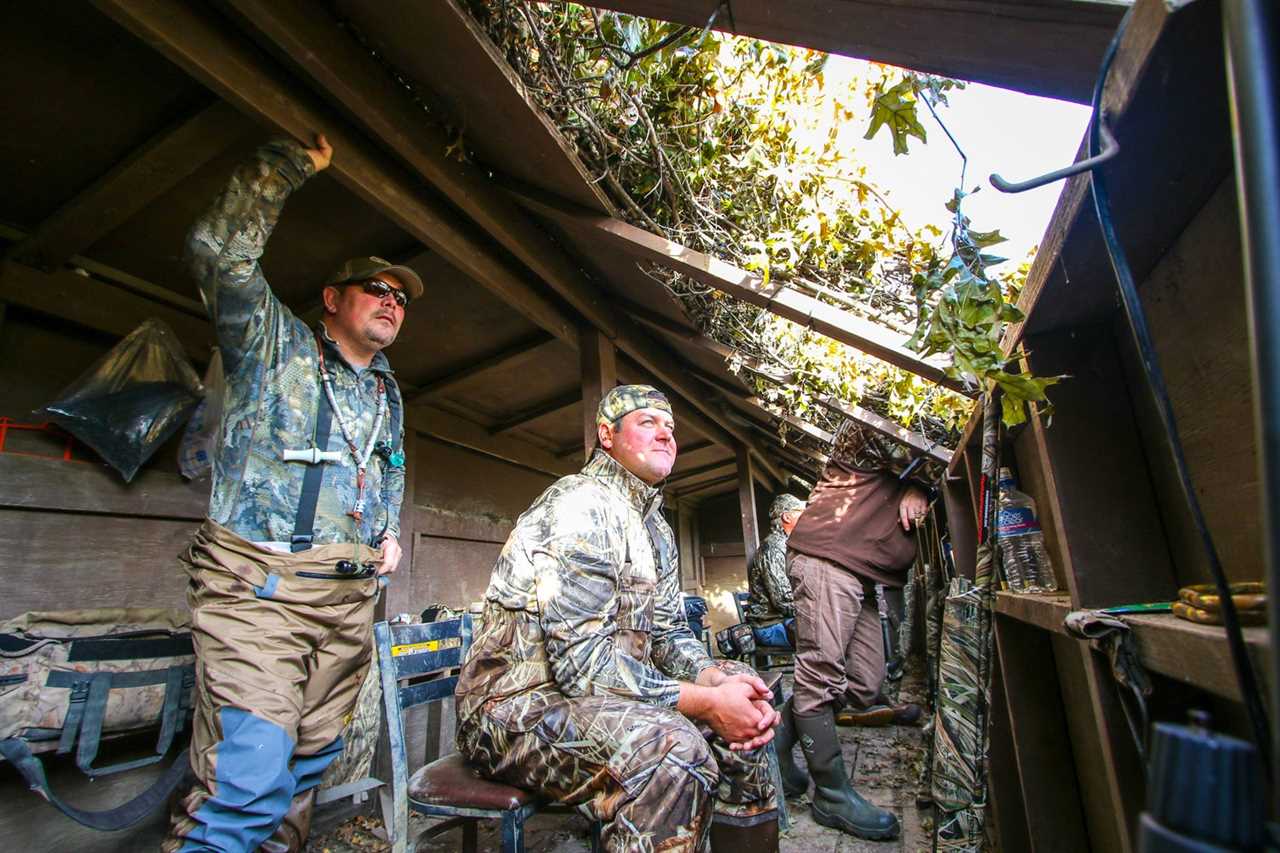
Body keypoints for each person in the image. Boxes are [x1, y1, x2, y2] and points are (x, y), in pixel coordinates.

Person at [164, 135, 422, 852]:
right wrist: (285, 166)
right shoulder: (273, 344)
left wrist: (388, 531)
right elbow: (219, 255)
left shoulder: (385, 392)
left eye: (400, 298)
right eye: (377, 288)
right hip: (260, 595)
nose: (392, 302)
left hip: (346, 607)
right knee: (244, 785)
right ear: (333, 299)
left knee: (302, 778)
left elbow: (390, 463)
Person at [455, 385, 781, 852]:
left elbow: (668, 633)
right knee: (671, 748)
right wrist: (705, 703)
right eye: (647, 423)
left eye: (670, 427)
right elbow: (580, 667)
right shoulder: (579, 506)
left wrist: (713, 678)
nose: (666, 435)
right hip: (511, 712)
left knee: (742, 689)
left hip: (596, 701)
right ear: (607, 435)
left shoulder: (656, 528)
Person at [779, 419, 936, 840]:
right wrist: (925, 484)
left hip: (863, 572)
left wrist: (920, 487)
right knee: (821, 672)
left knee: (865, 685)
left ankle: (777, 751)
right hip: (830, 558)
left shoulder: (905, 442)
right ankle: (831, 795)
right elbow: (936, 456)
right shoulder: (873, 417)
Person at [743, 493, 806, 648]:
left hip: (785, 621)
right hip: (770, 627)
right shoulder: (772, 549)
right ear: (787, 517)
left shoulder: (788, 545)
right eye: (800, 513)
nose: (806, 517)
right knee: (828, 634)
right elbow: (783, 601)